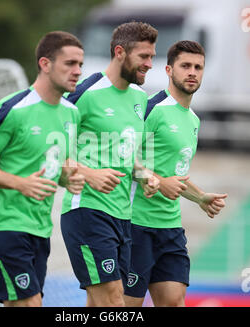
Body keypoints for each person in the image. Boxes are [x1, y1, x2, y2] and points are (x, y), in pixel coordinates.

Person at [0, 31, 85, 307]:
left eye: (80, 64)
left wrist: (69, 178)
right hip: (5, 226)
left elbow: (57, 163)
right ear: (45, 64)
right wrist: (20, 183)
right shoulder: (13, 109)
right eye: (69, 63)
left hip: (40, 230)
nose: (77, 71)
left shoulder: (71, 113)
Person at [60, 21, 160, 307]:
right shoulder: (84, 93)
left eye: (152, 56)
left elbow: (128, 155)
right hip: (87, 211)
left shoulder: (141, 98)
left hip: (123, 217)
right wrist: (89, 174)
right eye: (144, 56)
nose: (150, 64)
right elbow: (52, 150)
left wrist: (144, 175)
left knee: (100, 302)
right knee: (115, 301)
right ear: (120, 52)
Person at [124, 40, 228, 307]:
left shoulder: (194, 120)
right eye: (185, 66)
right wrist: (156, 182)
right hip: (136, 225)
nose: (192, 72)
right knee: (127, 307)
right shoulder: (151, 109)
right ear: (169, 70)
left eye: (198, 67)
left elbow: (175, 174)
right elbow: (121, 157)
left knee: (174, 302)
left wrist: (201, 198)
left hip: (170, 229)